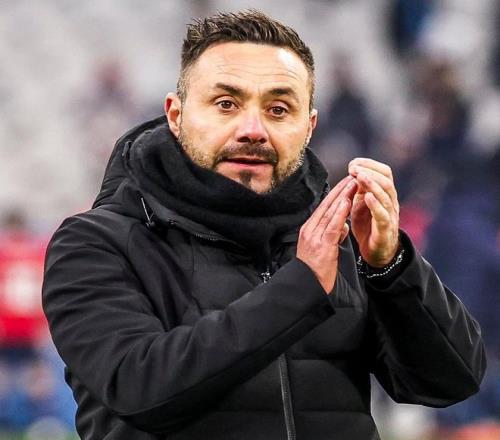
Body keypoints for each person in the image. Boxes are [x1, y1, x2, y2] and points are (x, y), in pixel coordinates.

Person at [42, 10, 486, 440]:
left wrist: (390, 267)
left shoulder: (337, 238)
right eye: (226, 104)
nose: (253, 129)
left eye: (278, 109)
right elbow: (142, 391)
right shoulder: (94, 243)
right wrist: (303, 286)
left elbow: (451, 381)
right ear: (176, 116)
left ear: (309, 126)